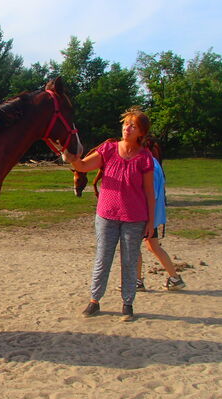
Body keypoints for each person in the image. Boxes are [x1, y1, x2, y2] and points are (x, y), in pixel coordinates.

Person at [63, 107, 155, 322]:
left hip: (134, 217)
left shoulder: (145, 158)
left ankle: (127, 303)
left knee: (130, 260)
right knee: (103, 257)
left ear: (141, 132)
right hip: (107, 214)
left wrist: (151, 221)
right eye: (125, 124)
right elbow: (83, 166)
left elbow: (150, 192)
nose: (127, 128)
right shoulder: (109, 149)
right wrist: (72, 159)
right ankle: (95, 300)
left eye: (133, 125)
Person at [136, 154, 186, 291]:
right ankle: (175, 278)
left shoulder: (145, 162)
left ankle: (137, 281)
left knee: (134, 247)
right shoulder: (154, 162)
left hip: (142, 213)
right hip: (152, 213)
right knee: (153, 246)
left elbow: (149, 190)